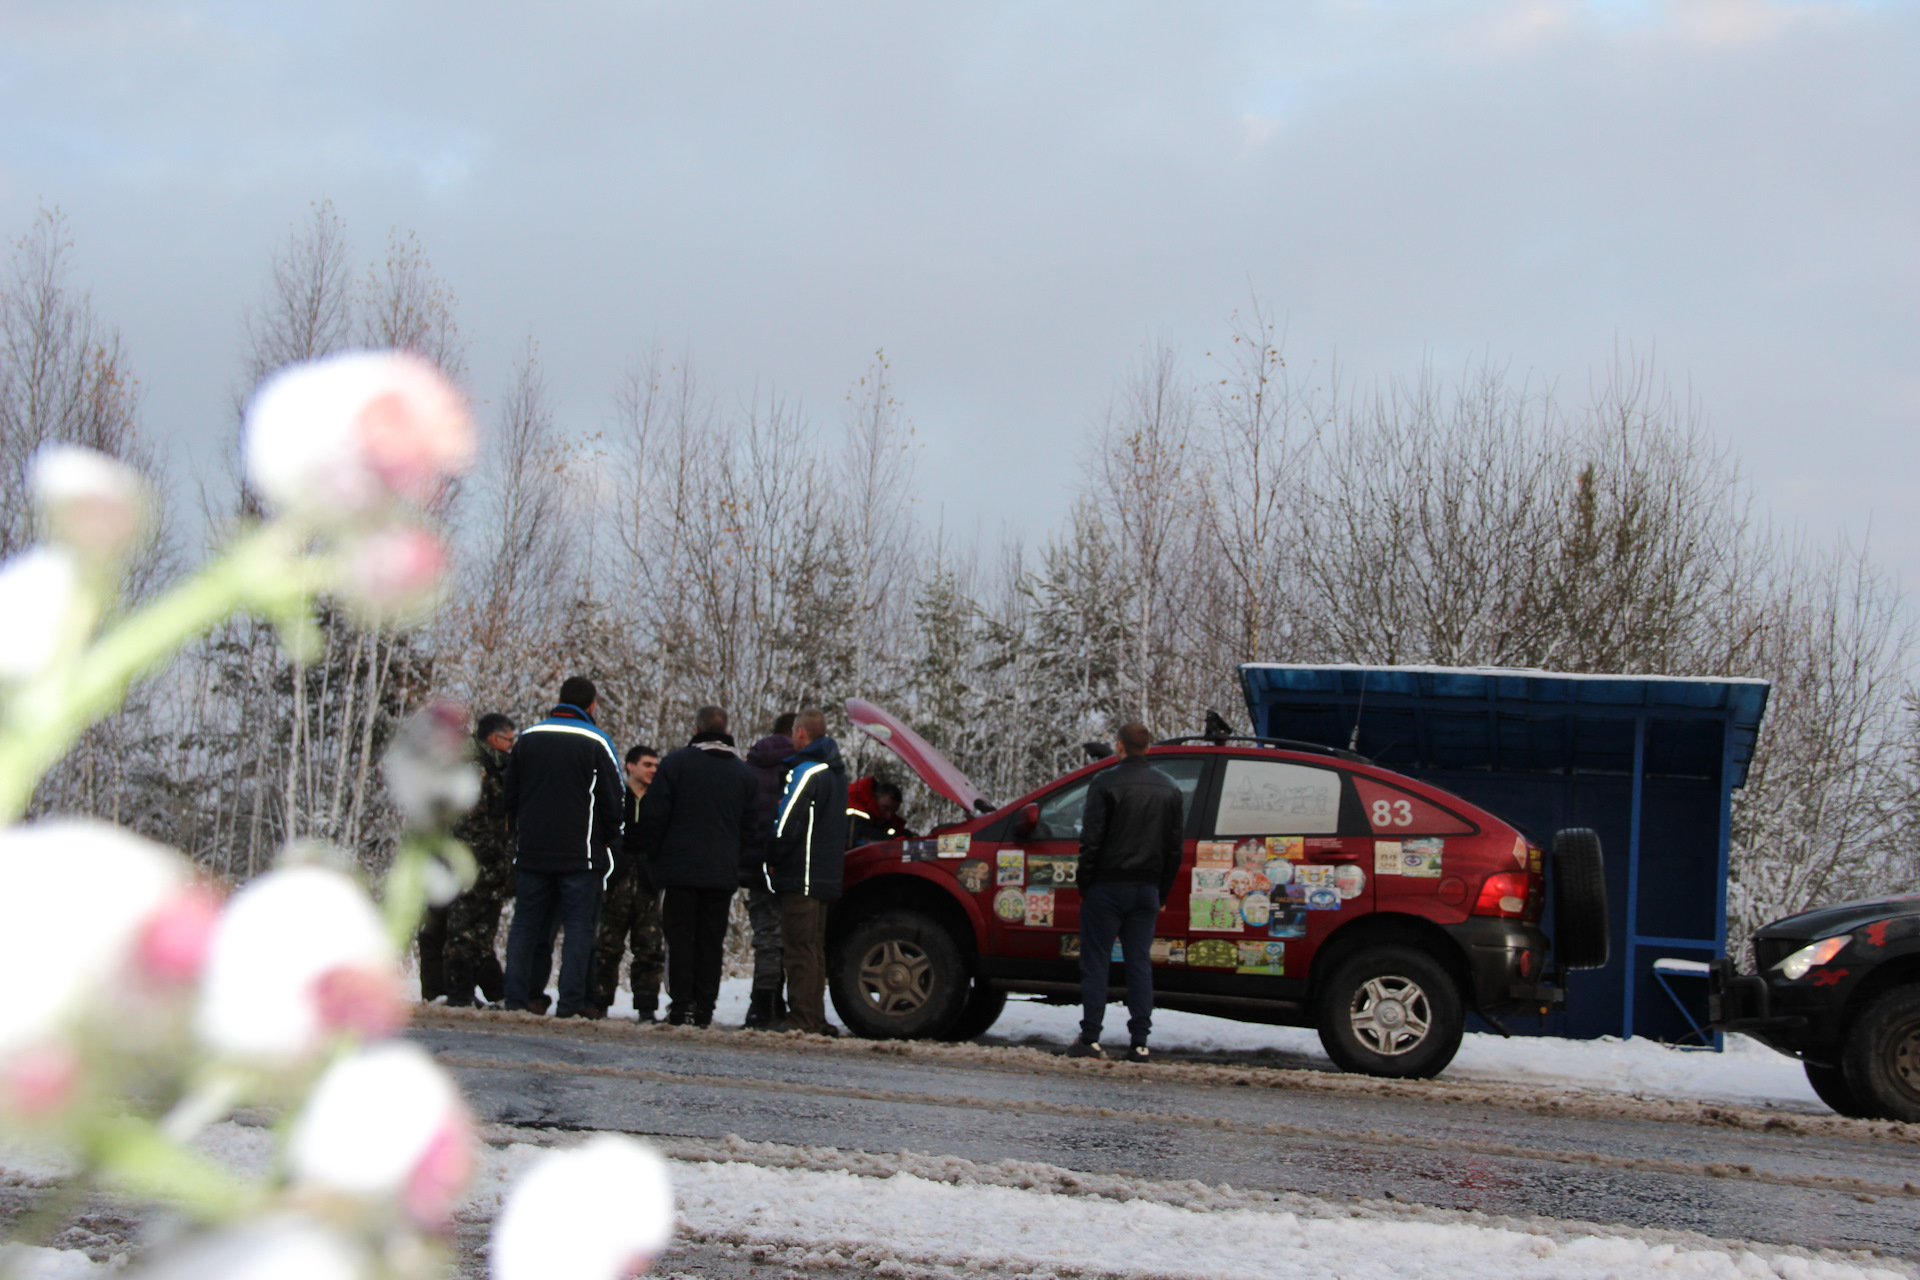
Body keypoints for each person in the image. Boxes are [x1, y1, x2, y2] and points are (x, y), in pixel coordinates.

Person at [500, 677, 624, 1018]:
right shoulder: (596, 741)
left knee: (526, 925)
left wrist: (519, 833)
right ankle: (570, 1003)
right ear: (592, 705)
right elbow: (615, 798)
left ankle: (517, 998)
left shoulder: (528, 739)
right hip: (580, 854)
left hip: (532, 851)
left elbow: (509, 795)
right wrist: (610, 840)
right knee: (578, 929)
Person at [635, 705, 758, 1027]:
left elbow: (654, 816)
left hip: (679, 871)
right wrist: (735, 858)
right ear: (726, 729)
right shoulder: (744, 774)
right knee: (710, 941)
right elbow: (752, 827)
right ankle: (705, 1007)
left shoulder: (675, 765)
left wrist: (655, 857)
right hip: (721, 872)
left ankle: (681, 1006)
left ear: (696, 729)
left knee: (680, 939)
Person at [1070, 721, 1183, 1063]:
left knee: (1096, 962)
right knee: (1139, 964)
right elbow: (1174, 848)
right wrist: (1161, 891)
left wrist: (1085, 884)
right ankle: (1140, 1042)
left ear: (1119, 746)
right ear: (1148, 747)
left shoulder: (1104, 783)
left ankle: (1090, 1037)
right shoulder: (1170, 789)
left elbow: (1091, 841)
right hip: (1146, 889)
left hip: (1107, 885)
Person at [765, 707, 849, 1037]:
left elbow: (786, 825)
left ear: (800, 733)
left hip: (801, 874)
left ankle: (801, 1017)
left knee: (798, 948)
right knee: (814, 949)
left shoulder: (807, 772)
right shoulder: (838, 773)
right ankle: (815, 1015)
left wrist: (772, 856)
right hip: (825, 875)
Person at [589, 744, 668, 1021]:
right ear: (630, 766)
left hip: (648, 883)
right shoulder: (615, 797)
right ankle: (599, 1002)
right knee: (606, 946)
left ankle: (646, 1007)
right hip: (615, 881)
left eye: (656, 766)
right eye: (647, 765)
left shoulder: (660, 799)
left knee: (649, 948)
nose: (653, 771)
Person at [444, 712, 517, 1007]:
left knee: (483, 931)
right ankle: (459, 995)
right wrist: (495, 855)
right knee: (463, 930)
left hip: (491, 867)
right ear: (493, 738)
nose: (512, 746)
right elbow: (467, 823)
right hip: (472, 864)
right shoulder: (474, 770)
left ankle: (487, 992)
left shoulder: (497, 769)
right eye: (509, 740)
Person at [741, 713, 796, 1030]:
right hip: (785, 864)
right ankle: (767, 1006)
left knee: (765, 934)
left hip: (752, 864)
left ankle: (761, 1002)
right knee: (780, 938)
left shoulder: (750, 766)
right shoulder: (797, 769)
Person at [847, 777, 913, 846]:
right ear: (875, 801)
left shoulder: (885, 820)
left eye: (894, 811)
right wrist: (894, 841)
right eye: (886, 808)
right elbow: (861, 832)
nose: (889, 816)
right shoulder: (855, 808)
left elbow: (896, 832)